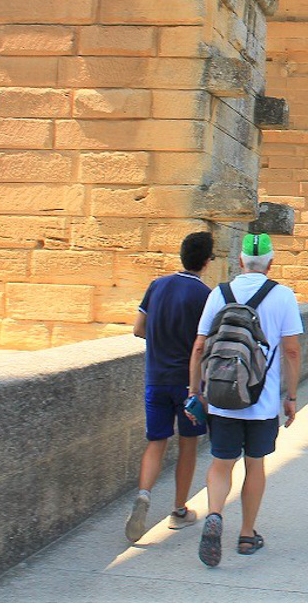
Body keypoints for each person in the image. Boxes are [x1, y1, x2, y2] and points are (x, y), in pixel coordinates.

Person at [187, 233, 303, 567]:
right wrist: (291, 396)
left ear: (239, 262)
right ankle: (247, 534)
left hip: (222, 396)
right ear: (271, 263)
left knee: (221, 463)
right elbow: (292, 351)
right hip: (261, 401)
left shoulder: (218, 294)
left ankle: (214, 514)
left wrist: (196, 392)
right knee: (255, 465)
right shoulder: (283, 296)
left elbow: (198, 347)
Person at [125, 232, 214, 542]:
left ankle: (144, 495)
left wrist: (161, 342)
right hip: (188, 384)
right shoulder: (205, 295)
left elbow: (139, 328)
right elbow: (205, 344)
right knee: (188, 446)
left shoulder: (157, 285)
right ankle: (178, 511)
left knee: (156, 441)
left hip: (156, 378)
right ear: (206, 261)